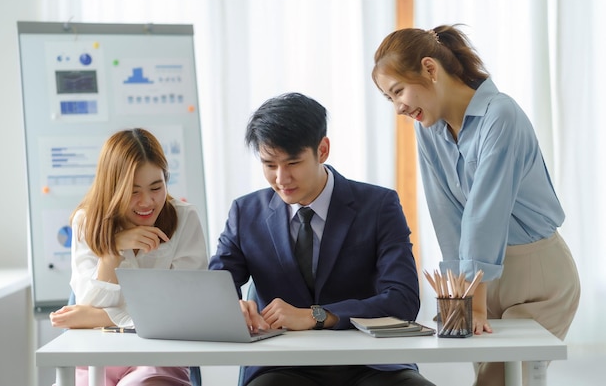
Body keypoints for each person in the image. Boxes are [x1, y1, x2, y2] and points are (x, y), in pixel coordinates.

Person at [372, 25, 581, 385]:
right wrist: (460, 297)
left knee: (494, 382)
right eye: (390, 99)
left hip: (538, 276)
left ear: (430, 69)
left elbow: (486, 212)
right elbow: (447, 215)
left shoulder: (501, 115)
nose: (398, 108)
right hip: (481, 281)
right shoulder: (428, 130)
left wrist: (474, 300)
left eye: (398, 91)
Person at [209, 92, 436, 386]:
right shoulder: (245, 213)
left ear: (323, 150)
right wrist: (231, 306)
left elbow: (403, 300)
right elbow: (217, 285)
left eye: (292, 163)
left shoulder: (378, 205)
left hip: (373, 363)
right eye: (269, 165)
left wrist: (319, 316)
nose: (281, 178)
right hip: (283, 366)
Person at [49, 128, 208, 386]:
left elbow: (184, 310)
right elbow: (90, 300)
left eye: (156, 187)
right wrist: (111, 251)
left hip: (158, 355)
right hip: (98, 354)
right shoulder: (86, 222)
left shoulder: (184, 218)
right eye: (134, 191)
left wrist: (102, 317)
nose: (147, 202)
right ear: (112, 189)